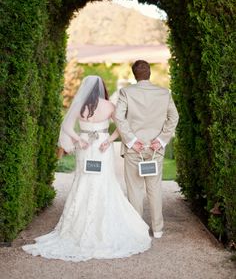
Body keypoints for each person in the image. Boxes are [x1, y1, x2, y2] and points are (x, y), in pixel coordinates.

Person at [22, 75, 151, 262]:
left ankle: (77, 226)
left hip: (85, 147)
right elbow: (123, 126)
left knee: (83, 181)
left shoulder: (79, 105)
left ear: (85, 89)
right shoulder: (109, 105)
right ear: (101, 88)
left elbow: (66, 126)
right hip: (102, 147)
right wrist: (109, 140)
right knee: (104, 182)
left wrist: (78, 139)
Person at [114, 60, 179, 239]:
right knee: (155, 188)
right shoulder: (164, 93)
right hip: (155, 148)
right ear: (149, 72)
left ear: (135, 75)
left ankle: (138, 230)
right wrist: (162, 139)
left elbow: (118, 118)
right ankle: (157, 229)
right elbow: (174, 118)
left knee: (134, 189)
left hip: (135, 148)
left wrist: (132, 140)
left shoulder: (126, 92)